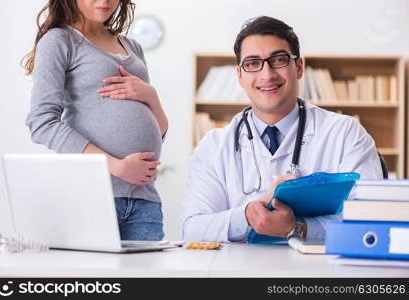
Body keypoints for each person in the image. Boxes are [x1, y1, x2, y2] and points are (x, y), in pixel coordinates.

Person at [181, 16, 383, 243]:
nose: (267, 74)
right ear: (239, 75)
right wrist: (246, 216)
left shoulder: (345, 133)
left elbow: (370, 220)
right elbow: (192, 229)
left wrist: (299, 227)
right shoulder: (214, 145)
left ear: (298, 67)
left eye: (278, 60)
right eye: (252, 63)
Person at [23, 0, 168, 241]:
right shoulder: (59, 40)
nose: (105, 1)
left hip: (145, 199)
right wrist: (115, 166)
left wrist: (151, 96)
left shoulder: (132, 46)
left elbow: (159, 132)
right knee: (93, 278)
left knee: (145, 278)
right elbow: (41, 122)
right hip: (92, 196)